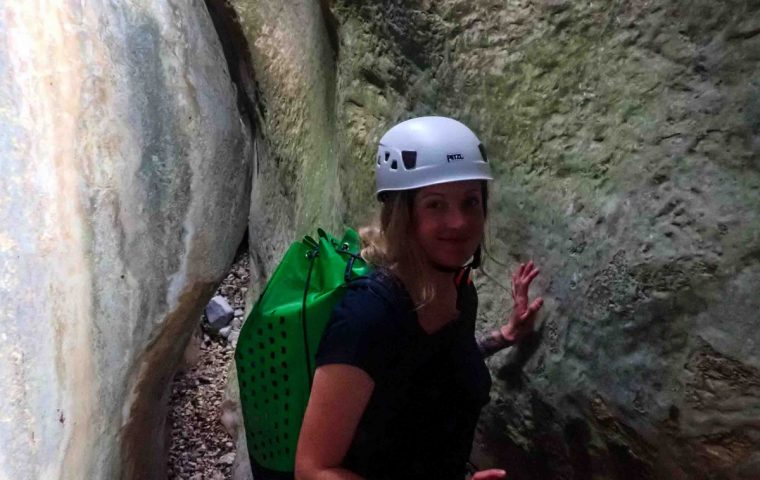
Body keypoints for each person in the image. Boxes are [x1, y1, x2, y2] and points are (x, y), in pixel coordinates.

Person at [294, 116, 544, 480]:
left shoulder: (459, 288)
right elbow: (313, 470)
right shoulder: (367, 317)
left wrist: (504, 336)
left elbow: (433, 369)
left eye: (470, 202)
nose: (459, 222)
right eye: (436, 205)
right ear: (402, 214)